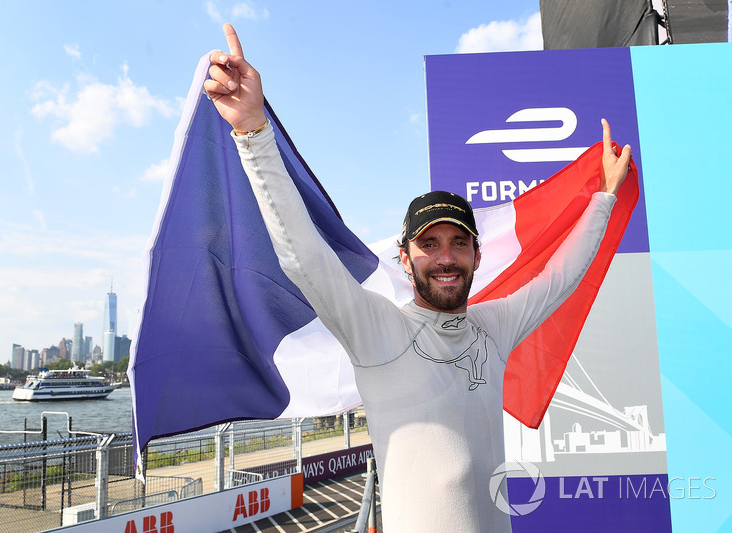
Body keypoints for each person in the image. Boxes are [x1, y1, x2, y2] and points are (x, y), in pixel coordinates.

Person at [205, 23, 631, 532]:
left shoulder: (496, 325)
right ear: (405, 259)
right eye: (428, 245)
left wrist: (604, 197)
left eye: (457, 243)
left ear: (476, 255)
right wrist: (253, 134)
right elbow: (304, 258)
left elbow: (561, 277)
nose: (445, 258)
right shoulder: (377, 329)